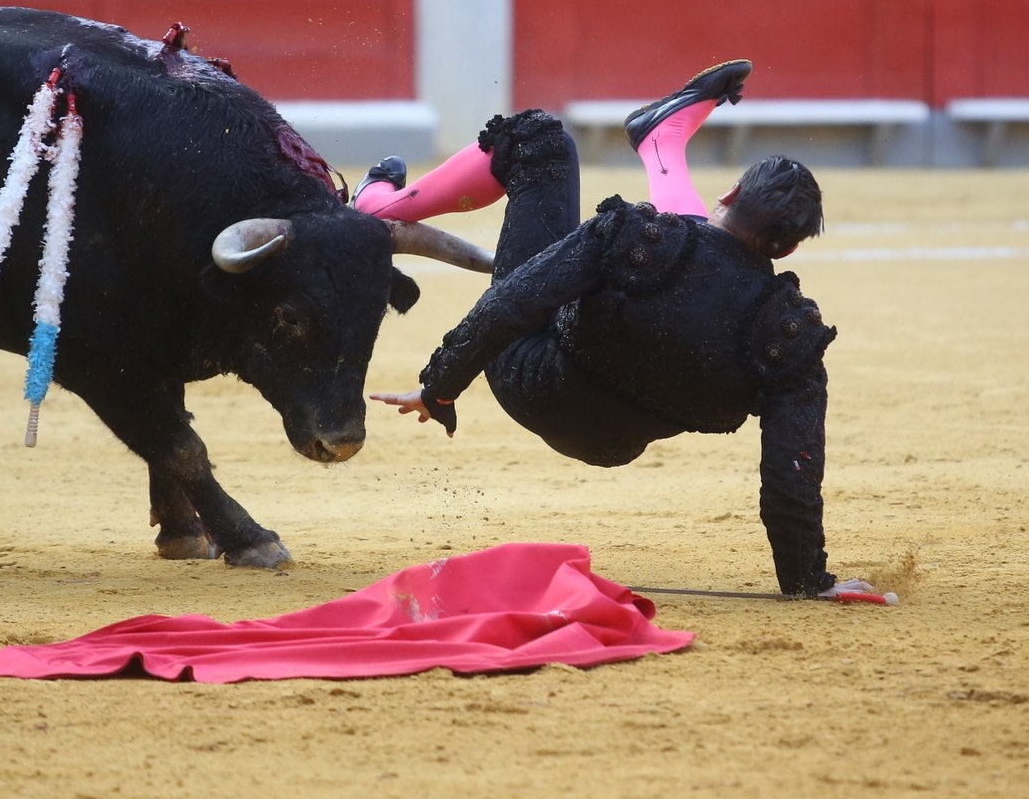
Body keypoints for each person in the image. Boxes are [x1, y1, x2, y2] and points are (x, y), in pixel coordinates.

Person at [356, 60, 850, 598]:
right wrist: (807, 580)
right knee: (690, 249)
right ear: (792, 247)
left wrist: (441, 386)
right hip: (613, 442)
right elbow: (792, 470)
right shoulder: (787, 332)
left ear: (729, 194)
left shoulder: (634, 235)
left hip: (529, 377)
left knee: (536, 140)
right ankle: (661, 141)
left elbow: (513, 303)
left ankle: (375, 205)